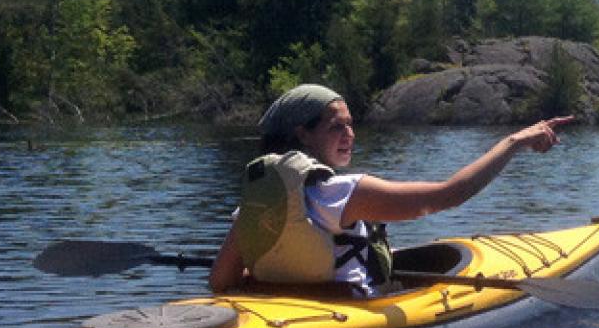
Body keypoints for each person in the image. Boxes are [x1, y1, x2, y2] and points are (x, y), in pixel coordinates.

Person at [210, 84, 575, 295]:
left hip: (279, 314)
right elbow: (448, 195)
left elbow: (221, 281)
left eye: (352, 126)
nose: (350, 135)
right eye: (337, 126)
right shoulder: (341, 192)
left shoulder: (255, 207)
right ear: (301, 133)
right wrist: (514, 141)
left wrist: (279, 282)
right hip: (348, 317)